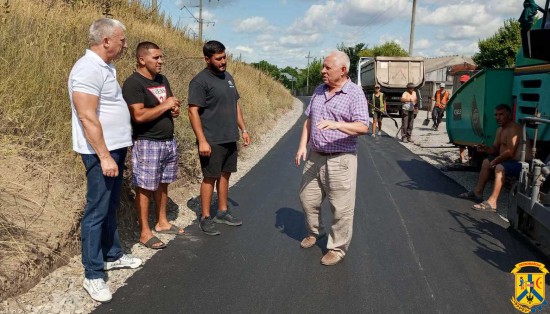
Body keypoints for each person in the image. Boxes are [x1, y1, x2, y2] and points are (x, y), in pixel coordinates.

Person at [68, 18, 142, 303]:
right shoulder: (87, 68)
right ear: (106, 40)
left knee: (110, 205)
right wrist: (103, 155)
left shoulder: (106, 67)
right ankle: (93, 274)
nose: (125, 45)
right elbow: (87, 116)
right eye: (122, 40)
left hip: (114, 149)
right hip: (101, 152)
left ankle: (112, 255)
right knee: (97, 210)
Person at [295, 51, 369, 266]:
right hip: (315, 156)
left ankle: (337, 248)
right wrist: (302, 146)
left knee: (341, 207)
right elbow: (309, 121)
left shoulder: (354, 94)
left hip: (340, 159)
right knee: (307, 199)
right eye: (323, 67)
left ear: (343, 70)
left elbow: (363, 126)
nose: (323, 71)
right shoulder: (319, 90)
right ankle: (315, 232)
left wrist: (337, 124)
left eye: (328, 67)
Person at [122, 42, 184, 250]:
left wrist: (173, 110)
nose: (161, 61)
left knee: (163, 182)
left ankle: (162, 222)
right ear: (142, 59)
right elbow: (138, 115)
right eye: (156, 58)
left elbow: (166, 105)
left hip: (167, 140)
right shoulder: (133, 83)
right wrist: (165, 105)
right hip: (147, 142)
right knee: (145, 186)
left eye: (161, 57)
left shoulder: (161, 80)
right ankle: (145, 232)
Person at [188, 40, 251, 236]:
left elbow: (236, 105)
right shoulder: (200, 81)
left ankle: (222, 212)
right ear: (207, 59)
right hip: (212, 139)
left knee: (225, 175)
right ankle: (205, 217)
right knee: (210, 177)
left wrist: (244, 129)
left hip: (229, 137)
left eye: (224, 57)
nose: (223, 61)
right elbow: (192, 111)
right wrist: (202, 140)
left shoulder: (228, 77)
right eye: (218, 59)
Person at [458, 104, 531, 212]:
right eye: (496, 115)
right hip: (509, 161)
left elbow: (510, 152)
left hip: (521, 163)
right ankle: (477, 192)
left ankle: (492, 203)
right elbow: (495, 149)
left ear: (509, 115)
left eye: (501, 114)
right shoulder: (499, 130)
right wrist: (485, 149)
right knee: (486, 162)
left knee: (499, 167)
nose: (498, 117)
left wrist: (496, 161)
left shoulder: (513, 129)